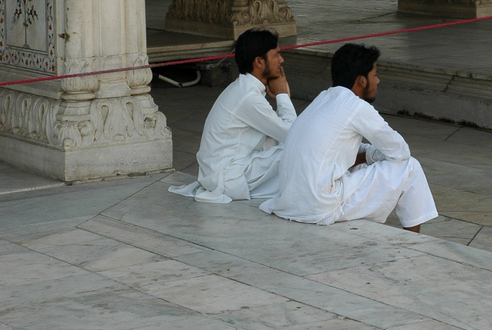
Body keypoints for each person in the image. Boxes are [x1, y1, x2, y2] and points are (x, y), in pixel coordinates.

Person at [260, 43, 437, 231]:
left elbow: (342, 148)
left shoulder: (322, 98)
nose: (378, 81)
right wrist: (370, 156)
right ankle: (415, 240)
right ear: (361, 81)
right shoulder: (356, 107)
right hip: (318, 206)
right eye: (375, 75)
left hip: (290, 202)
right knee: (409, 167)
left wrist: (367, 155)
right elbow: (400, 151)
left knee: (363, 160)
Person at [169, 28, 295, 204]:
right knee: (300, 151)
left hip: (225, 172)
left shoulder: (245, 88)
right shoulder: (248, 97)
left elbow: (279, 133)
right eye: (276, 55)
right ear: (259, 61)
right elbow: (294, 134)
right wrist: (282, 94)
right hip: (228, 177)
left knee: (290, 148)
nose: (281, 60)